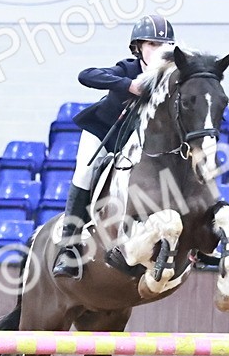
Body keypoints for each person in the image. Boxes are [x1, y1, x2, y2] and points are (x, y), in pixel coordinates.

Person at [52, 14, 175, 278]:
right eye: (151, 45)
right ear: (138, 48)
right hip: (104, 134)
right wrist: (128, 85)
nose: (158, 51)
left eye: (163, 46)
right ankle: (69, 248)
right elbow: (86, 75)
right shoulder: (128, 69)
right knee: (84, 173)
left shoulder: (170, 78)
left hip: (136, 145)